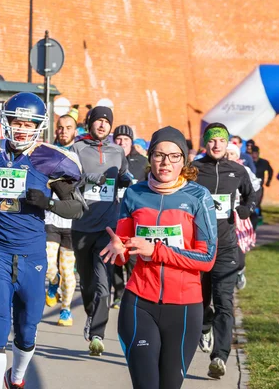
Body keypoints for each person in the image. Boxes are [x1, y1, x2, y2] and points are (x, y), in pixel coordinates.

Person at [0, 92, 84, 389]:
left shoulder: (51, 160)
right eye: (17, 122)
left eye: (28, 124)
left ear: (38, 127)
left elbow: (77, 208)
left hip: (32, 254)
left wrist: (48, 203)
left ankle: (15, 378)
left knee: (27, 328)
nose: (21, 129)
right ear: (6, 123)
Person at [100, 126, 217, 389]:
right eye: (159, 155)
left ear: (184, 160)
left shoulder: (199, 197)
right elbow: (124, 250)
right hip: (140, 302)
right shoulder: (134, 194)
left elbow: (206, 258)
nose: (166, 162)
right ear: (150, 156)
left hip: (184, 308)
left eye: (174, 156)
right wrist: (120, 251)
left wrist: (156, 251)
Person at [193, 123, 256, 379]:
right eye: (212, 140)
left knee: (224, 303)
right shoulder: (194, 170)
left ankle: (219, 357)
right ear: (205, 143)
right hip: (198, 247)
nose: (216, 144)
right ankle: (204, 324)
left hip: (227, 247)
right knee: (198, 302)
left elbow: (252, 196)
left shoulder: (238, 171)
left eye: (221, 140)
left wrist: (247, 209)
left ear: (227, 143)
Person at [70, 106, 133, 356]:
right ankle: (90, 314)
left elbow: (123, 174)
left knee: (103, 283)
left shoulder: (118, 151)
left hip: (108, 228)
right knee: (86, 282)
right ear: (90, 123)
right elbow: (66, 181)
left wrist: (128, 180)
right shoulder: (77, 149)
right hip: (82, 225)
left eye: (107, 122)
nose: (103, 125)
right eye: (99, 121)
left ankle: (97, 334)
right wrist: (88, 179)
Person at [44, 109, 80, 327]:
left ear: (75, 131)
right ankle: (52, 281)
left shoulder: (80, 154)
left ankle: (65, 309)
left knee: (68, 271)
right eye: (60, 127)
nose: (63, 131)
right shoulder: (47, 152)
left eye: (68, 128)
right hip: (50, 217)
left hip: (72, 222)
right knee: (50, 265)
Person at [110, 124, 148, 309]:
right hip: (112, 214)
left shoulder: (142, 161)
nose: (121, 142)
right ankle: (118, 293)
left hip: (134, 216)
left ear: (131, 142)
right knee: (116, 257)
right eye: (118, 139)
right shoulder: (109, 159)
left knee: (133, 258)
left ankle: (134, 294)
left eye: (125, 139)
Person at [225, 143, 261, 290]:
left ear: (237, 156)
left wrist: (247, 207)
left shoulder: (244, 170)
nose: (228, 157)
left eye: (231, 154)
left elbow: (255, 190)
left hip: (238, 216)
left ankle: (240, 270)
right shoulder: (216, 170)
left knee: (238, 250)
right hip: (220, 215)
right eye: (226, 154)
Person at [252, 146, 273, 222]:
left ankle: (257, 217)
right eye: (253, 153)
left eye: (256, 153)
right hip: (249, 186)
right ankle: (253, 216)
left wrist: (268, 181)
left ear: (258, 153)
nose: (254, 155)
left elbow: (270, 171)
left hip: (259, 186)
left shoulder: (264, 162)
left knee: (257, 202)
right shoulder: (249, 162)